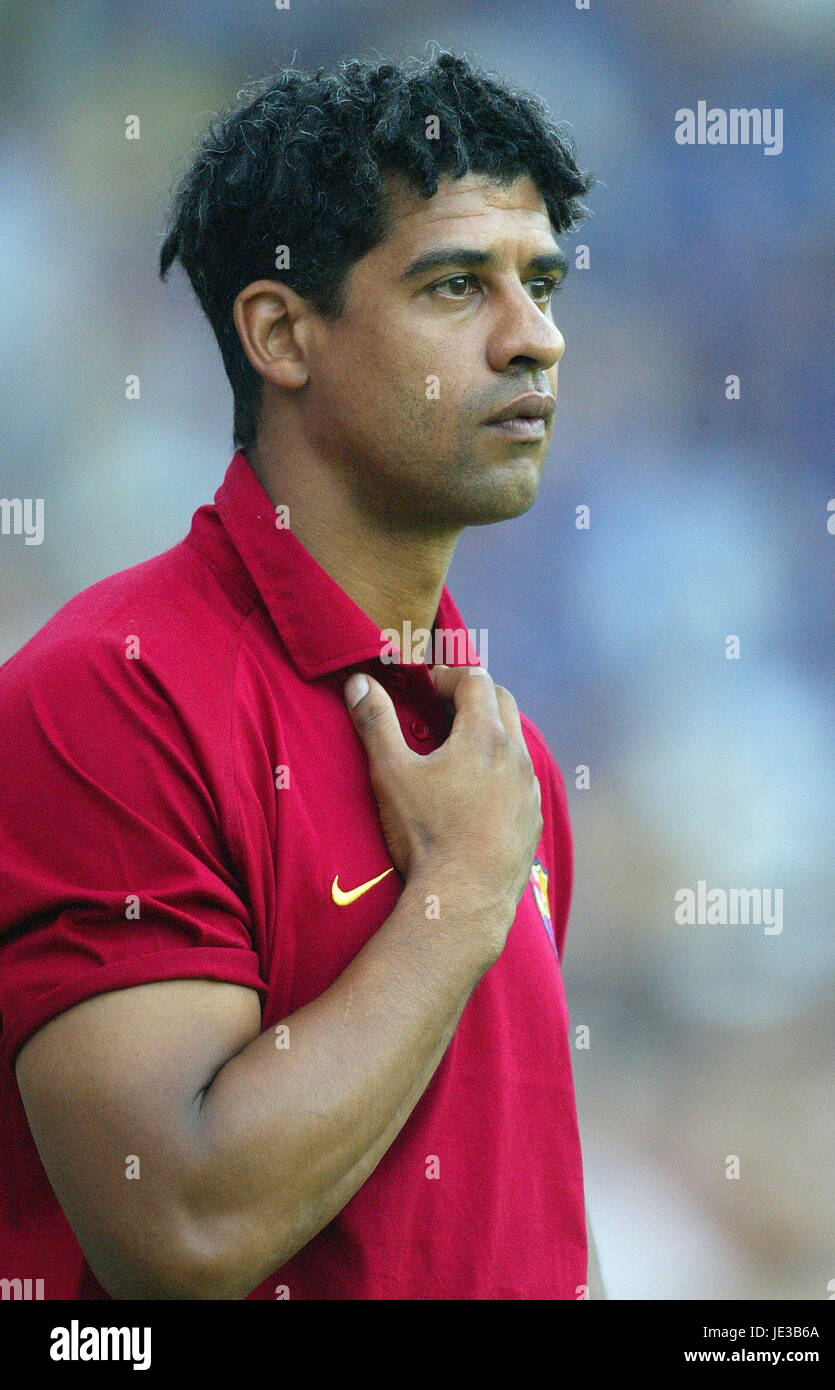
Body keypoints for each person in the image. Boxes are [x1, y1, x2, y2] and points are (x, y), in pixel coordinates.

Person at [0, 51, 597, 1299]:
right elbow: (179, 1229)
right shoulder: (108, 698)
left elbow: (520, 1227)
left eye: (538, 283)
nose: (532, 337)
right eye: (454, 285)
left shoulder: (498, 757)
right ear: (280, 333)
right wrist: (463, 896)